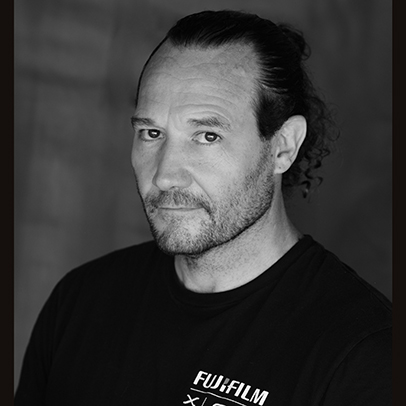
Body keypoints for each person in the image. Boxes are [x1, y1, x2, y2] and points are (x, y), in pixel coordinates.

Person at [15, 10, 391, 406]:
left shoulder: (364, 354)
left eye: (207, 136)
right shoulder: (80, 303)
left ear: (283, 147)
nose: (165, 176)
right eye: (151, 133)